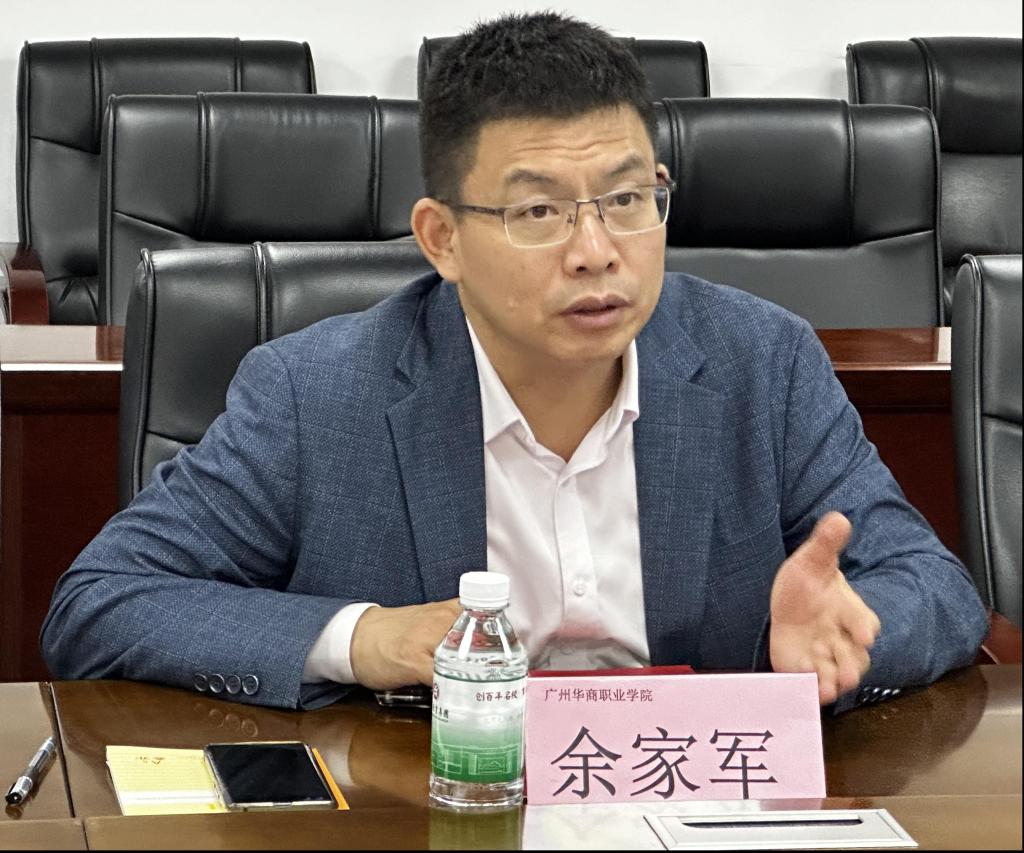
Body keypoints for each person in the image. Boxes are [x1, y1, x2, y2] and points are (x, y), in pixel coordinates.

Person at [41, 12, 987, 714]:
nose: (597, 251)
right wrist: (366, 638)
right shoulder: (317, 394)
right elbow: (103, 601)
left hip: (691, 797)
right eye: (539, 212)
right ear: (442, 239)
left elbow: (934, 586)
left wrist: (837, 644)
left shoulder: (762, 362)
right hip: (436, 805)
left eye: (628, 198)